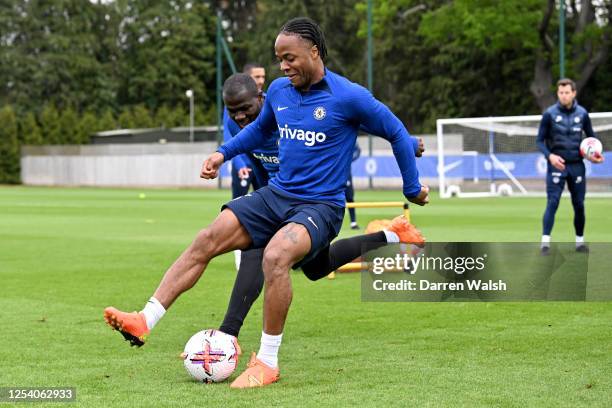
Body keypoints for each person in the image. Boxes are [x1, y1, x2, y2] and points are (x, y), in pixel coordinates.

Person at [105, 17, 429, 388]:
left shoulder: (349, 96)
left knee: (276, 257)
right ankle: (144, 319)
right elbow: (259, 130)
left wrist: (412, 188)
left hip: (321, 206)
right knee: (208, 237)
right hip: (276, 195)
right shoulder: (278, 91)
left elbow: (397, 133)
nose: (283, 66)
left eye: (289, 58)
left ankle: (267, 362)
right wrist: (222, 154)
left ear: (314, 51)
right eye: (279, 59)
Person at [536, 78, 604, 255]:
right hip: (556, 165)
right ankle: (545, 243)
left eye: (567, 92)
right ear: (558, 93)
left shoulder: (582, 114)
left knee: (579, 204)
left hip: (576, 166)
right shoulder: (549, 114)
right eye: (561, 93)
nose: (564, 96)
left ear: (573, 93)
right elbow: (539, 141)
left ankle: (580, 242)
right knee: (553, 202)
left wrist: (594, 156)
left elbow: (591, 139)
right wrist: (550, 156)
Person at [345, 142, 361, 229]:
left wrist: (349, 159)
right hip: (332, 173)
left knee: (349, 197)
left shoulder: (349, 136)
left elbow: (357, 150)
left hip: (346, 173)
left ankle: (353, 222)